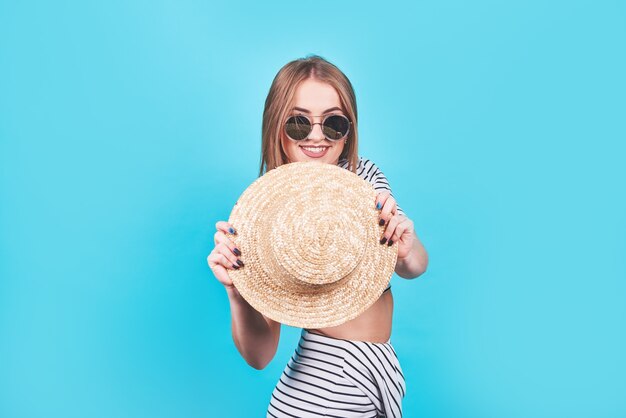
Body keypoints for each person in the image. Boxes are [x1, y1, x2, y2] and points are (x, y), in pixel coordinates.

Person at [207, 55, 429, 418]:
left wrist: (407, 248)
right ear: (276, 126)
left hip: (372, 376)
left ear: (349, 130)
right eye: (298, 122)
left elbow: (415, 265)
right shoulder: (266, 218)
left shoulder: (364, 178)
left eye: (333, 123)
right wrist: (237, 292)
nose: (315, 136)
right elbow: (260, 356)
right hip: (317, 392)